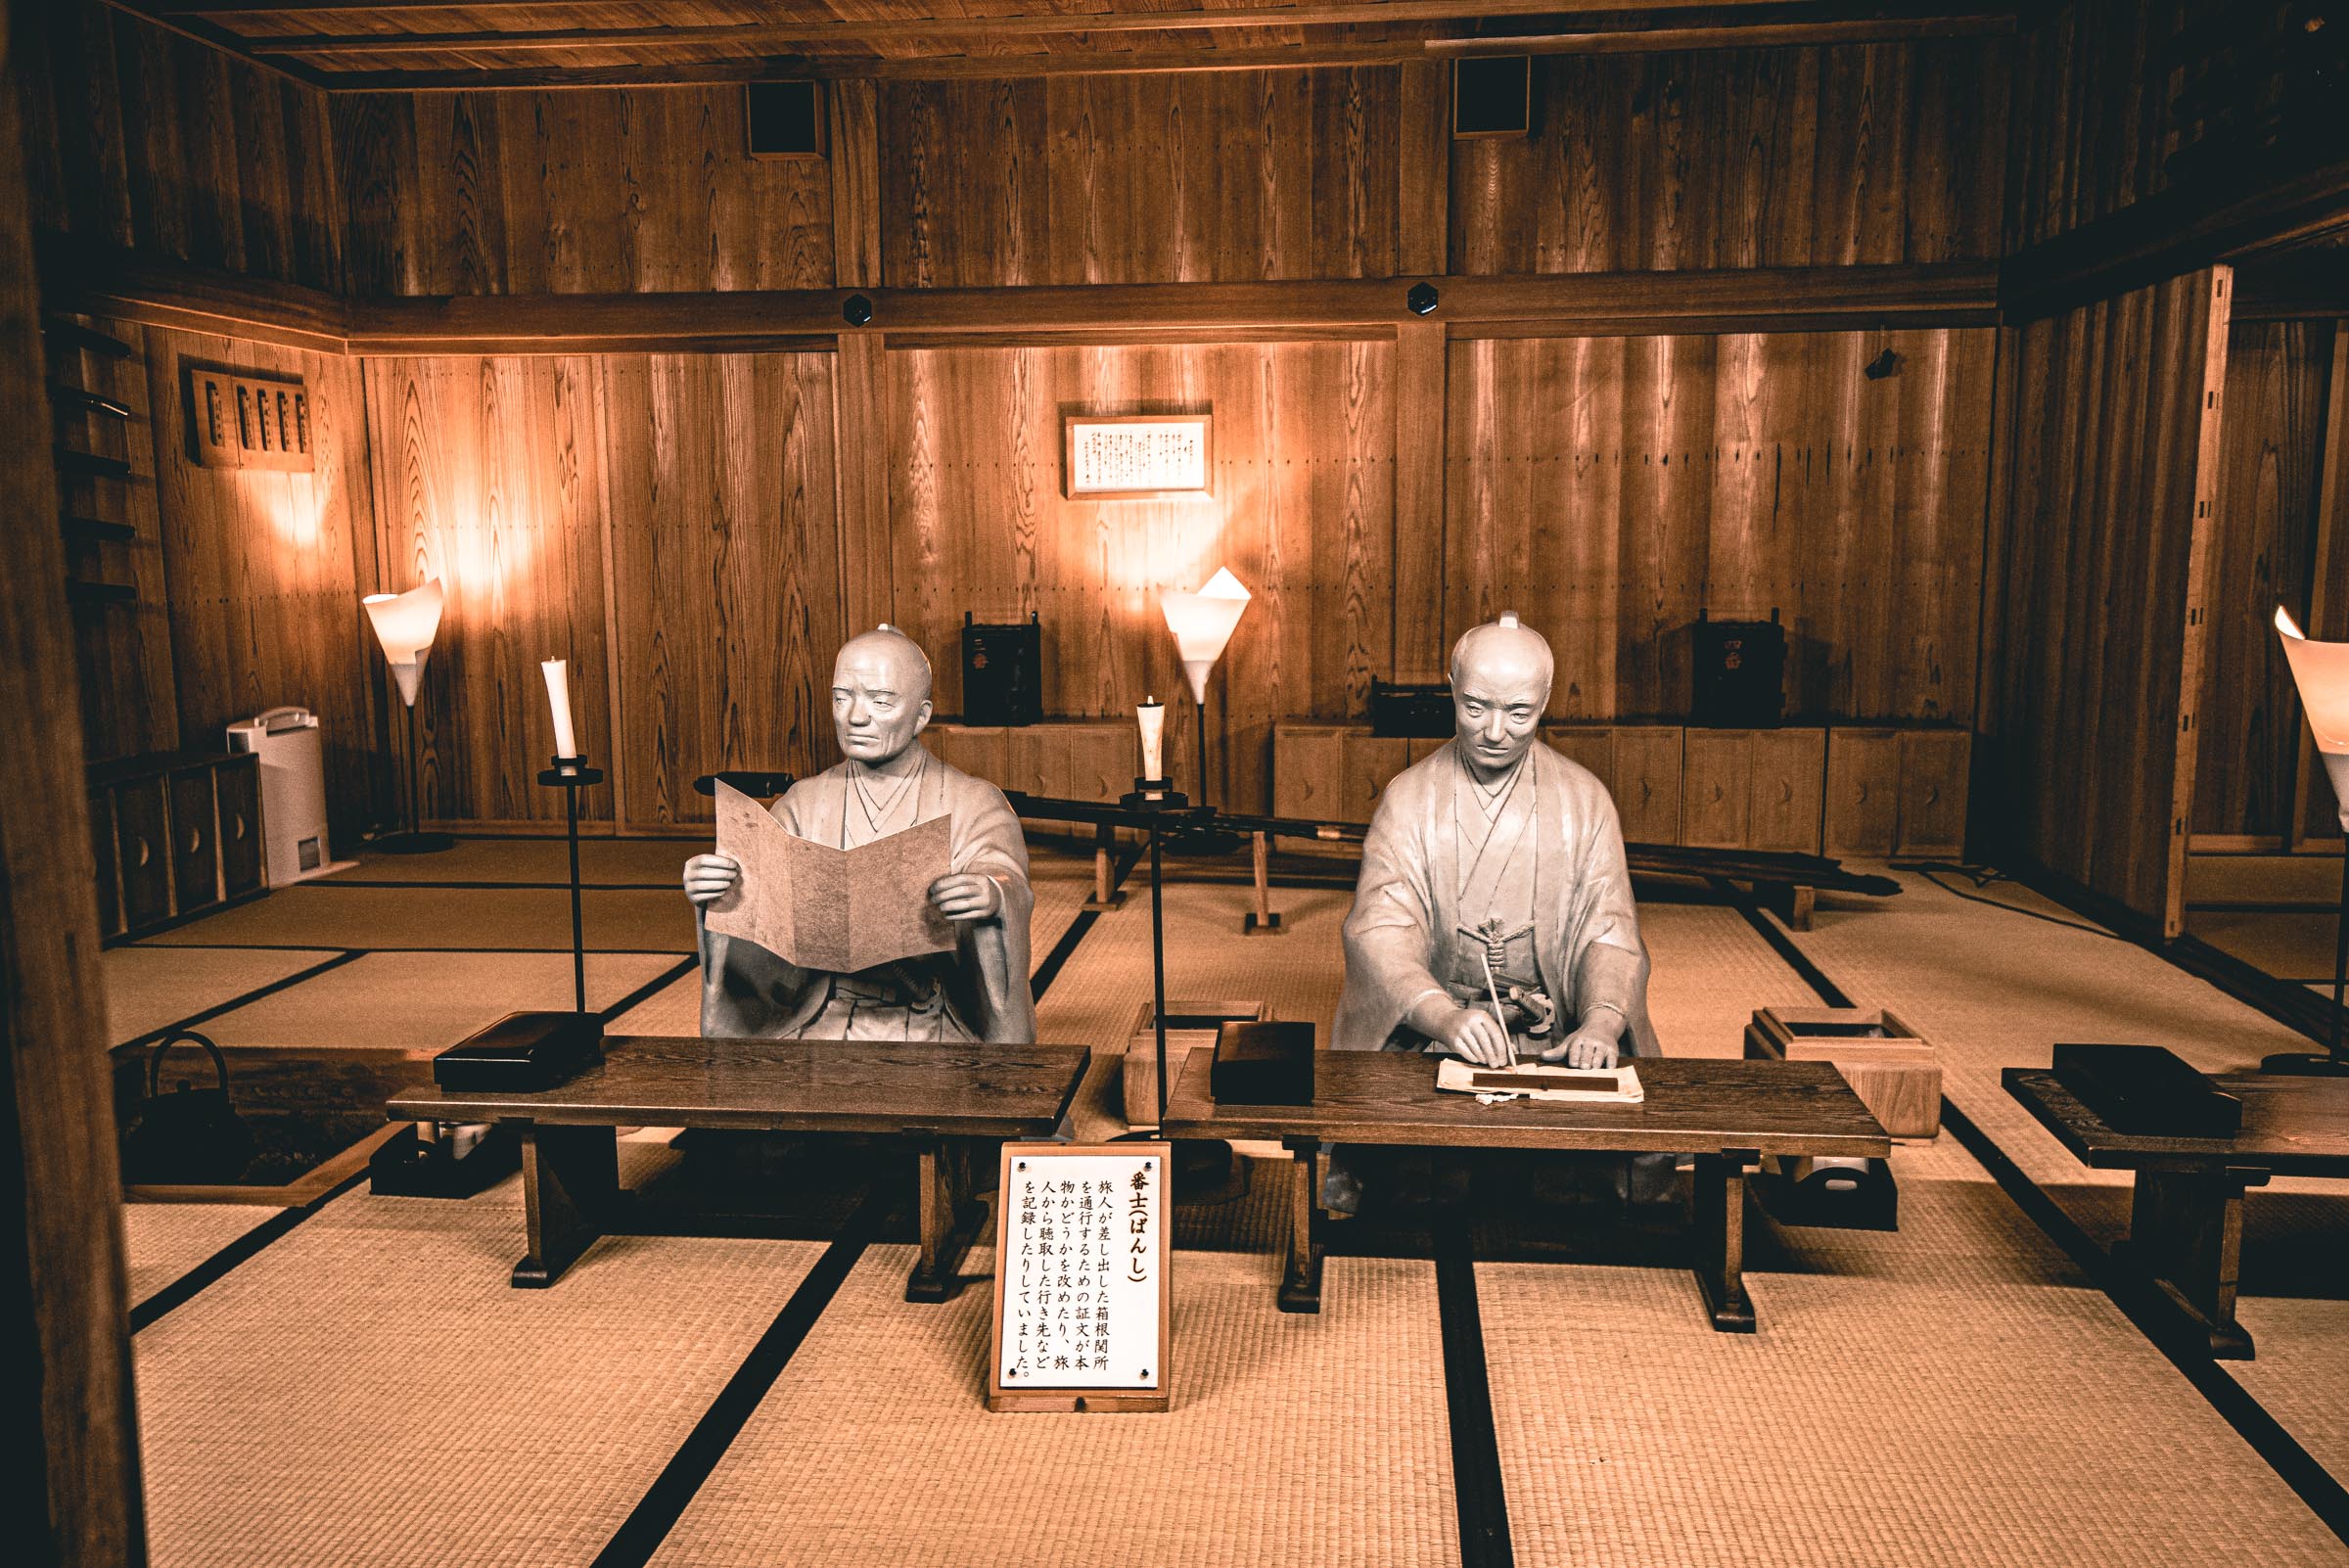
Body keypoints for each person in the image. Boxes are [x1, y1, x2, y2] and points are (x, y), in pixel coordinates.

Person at [682, 626, 1036, 1043]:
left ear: (922, 715)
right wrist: (721, 888)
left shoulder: (972, 801)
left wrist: (991, 895)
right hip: (820, 1014)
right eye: (841, 698)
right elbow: (762, 907)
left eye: (880, 701)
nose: (855, 716)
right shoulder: (805, 801)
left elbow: (1004, 874)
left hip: (932, 1018)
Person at [1335, 613, 1659, 1065]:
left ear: (1545, 701)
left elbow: (1608, 933)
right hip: (1440, 1032)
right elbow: (1380, 930)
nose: (1493, 731)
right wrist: (1441, 1016)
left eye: (1518, 713)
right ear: (1453, 689)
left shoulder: (1584, 801)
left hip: (1557, 1034)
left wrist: (1600, 1023)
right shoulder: (1409, 799)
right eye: (1475, 708)